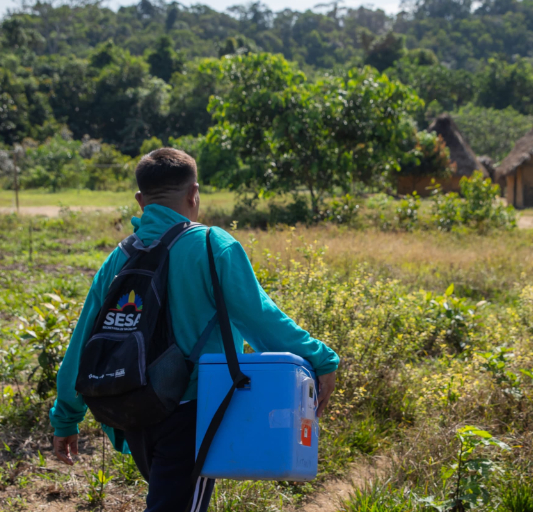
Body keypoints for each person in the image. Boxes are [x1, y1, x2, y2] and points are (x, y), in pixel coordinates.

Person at [50, 148, 340, 512]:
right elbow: (261, 320)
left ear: (141, 200)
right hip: (190, 410)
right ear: (194, 193)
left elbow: (83, 342)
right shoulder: (212, 245)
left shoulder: (120, 256)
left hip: (129, 407)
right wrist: (321, 358)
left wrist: (66, 417)